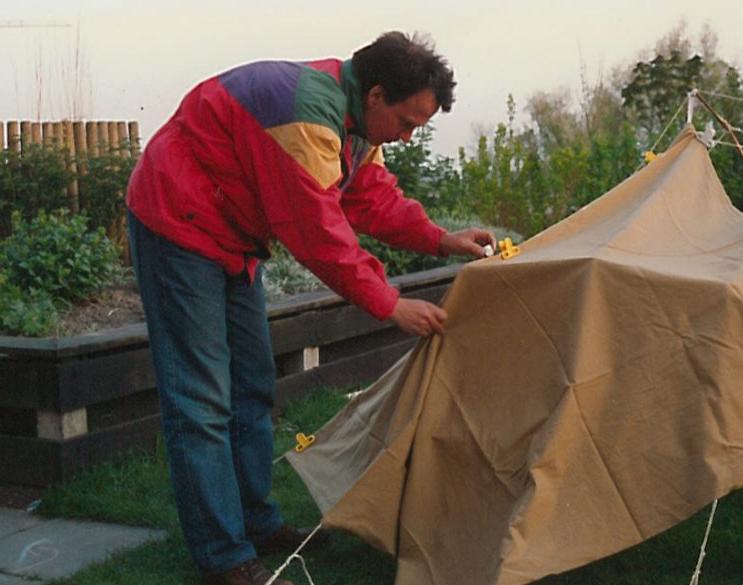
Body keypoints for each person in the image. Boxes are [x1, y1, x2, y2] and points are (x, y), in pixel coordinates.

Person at [125, 31, 494, 585]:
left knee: (251, 385)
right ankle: (223, 557)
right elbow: (318, 232)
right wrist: (392, 304)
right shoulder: (307, 115)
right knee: (201, 400)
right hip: (179, 222)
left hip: (231, 234)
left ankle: (255, 523)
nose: (408, 136)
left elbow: (371, 197)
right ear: (375, 95)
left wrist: (441, 239)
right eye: (408, 123)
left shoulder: (352, 120)